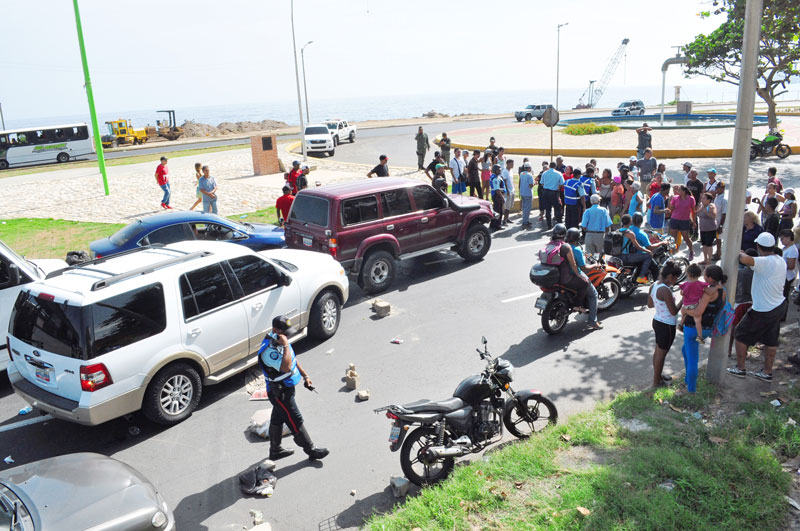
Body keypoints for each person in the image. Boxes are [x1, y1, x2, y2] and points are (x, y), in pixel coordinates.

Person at [258, 316, 329, 461]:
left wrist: (305, 376)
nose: (287, 335)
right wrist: (284, 345)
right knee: (295, 420)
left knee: (278, 418)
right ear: (276, 330)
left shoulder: (280, 340)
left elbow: (293, 359)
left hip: (286, 388)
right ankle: (311, 450)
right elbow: (286, 366)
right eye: (284, 332)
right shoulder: (268, 351)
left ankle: (275, 450)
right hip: (280, 393)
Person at [728, 232, 787, 381]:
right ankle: (767, 372)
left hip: (763, 309)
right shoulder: (780, 260)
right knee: (771, 340)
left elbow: (744, 259)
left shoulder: (763, 262)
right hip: (779, 305)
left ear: (758, 246)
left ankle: (740, 368)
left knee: (740, 334)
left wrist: (737, 251)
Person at [681, 265, 727, 392]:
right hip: (707, 328)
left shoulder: (707, 293)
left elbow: (697, 312)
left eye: (705, 275)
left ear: (711, 279)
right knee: (685, 350)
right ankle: (687, 380)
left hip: (693, 328)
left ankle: (691, 390)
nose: (703, 277)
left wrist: (685, 310)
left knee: (692, 359)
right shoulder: (722, 291)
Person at [648, 260, 683, 387]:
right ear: (670, 276)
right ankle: (656, 382)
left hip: (657, 321)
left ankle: (657, 376)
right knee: (661, 354)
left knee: (658, 351)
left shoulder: (654, 285)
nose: (677, 280)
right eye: (676, 277)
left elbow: (650, 304)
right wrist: (683, 300)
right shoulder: (665, 290)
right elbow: (673, 311)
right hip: (667, 325)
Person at [566, 227, 603, 330]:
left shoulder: (563, 246)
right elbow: (584, 268)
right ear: (577, 238)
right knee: (594, 294)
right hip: (576, 276)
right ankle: (593, 322)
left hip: (564, 275)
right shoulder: (576, 250)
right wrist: (594, 265)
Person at [548, 224, 589, 313]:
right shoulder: (566, 247)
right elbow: (573, 263)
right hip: (565, 277)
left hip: (553, 275)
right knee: (585, 283)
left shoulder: (550, 245)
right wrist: (579, 275)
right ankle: (577, 305)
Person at [678, 263, 709, 343]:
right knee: (698, 321)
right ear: (699, 274)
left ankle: (681, 324)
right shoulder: (701, 284)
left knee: (684, 314)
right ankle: (700, 336)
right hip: (696, 305)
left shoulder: (685, 284)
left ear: (688, 274)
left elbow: (682, 293)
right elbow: (706, 288)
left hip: (686, 305)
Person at [667, 185, 696, 260]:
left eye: (679, 190)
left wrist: (694, 221)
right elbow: (671, 209)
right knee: (673, 238)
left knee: (686, 238)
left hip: (684, 220)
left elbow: (693, 211)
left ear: (683, 191)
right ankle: (673, 254)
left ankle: (691, 251)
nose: (677, 191)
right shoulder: (675, 198)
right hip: (674, 219)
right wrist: (670, 201)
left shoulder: (691, 199)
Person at [540, 162, 565, 229]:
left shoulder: (544, 173)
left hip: (545, 192)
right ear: (555, 166)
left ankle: (549, 225)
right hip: (554, 192)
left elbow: (541, 183)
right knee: (558, 208)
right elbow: (562, 183)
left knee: (548, 209)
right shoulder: (558, 173)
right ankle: (559, 224)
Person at [780, 229, 798, 320]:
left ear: (788, 238)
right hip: (784, 275)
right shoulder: (786, 248)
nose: (781, 240)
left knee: (784, 295)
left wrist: (780, 265)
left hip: (788, 276)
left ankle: (783, 316)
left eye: (782, 238)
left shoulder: (792, 250)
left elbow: (791, 266)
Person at [696, 192, 718, 265]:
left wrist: (706, 212)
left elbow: (714, 216)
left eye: (704, 198)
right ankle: (705, 259)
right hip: (703, 228)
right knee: (704, 245)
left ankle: (709, 261)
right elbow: (697, 214)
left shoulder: (711, 206)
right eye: (702, 198)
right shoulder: (701, 205)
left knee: (709, 245)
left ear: (709, 200)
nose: (702, 199)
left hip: (710, 229)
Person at [713, 181, 728, 260]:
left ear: (723, 189)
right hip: (715, 220)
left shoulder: (724, 199)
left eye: (719, 188)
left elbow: (724, 214)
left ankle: (719, 254)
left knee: (719, 239)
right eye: (716, 188)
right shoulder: (717, 196)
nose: (717, 189)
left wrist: (721, 226)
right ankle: (717, 252)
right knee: (716, 238)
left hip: (720, 222)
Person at [489, 164, 506, 229]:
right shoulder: (495, 179)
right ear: (495, 171)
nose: (500, 171)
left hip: (496, 196)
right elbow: (497, 190)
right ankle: (497, 225)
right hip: (497, 196)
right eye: (499, 170)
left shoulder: (494, 176)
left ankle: (492, 224)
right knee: (499, 211)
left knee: (495, 210)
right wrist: (502, 197)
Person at [519, 163, 535, 228]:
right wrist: (535, 183)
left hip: (523, 192)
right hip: (528, 193)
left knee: (524, 207)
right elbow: (531, 185)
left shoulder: (521, 174)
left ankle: (525, 220)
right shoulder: (529, 175)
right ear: (529, 168)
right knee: (527, 209)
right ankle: (525, 222)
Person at [501, 159, 516, 224]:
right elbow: (505, 181)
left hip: (512, 190)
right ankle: (504, 220)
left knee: (510, 206)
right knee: (507, 206)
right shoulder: (504, 172)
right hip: (508, 191)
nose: (513, 165)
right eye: (511, 164)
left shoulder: (511, 171)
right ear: (508, 164)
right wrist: (507, 190)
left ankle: (507, 218)